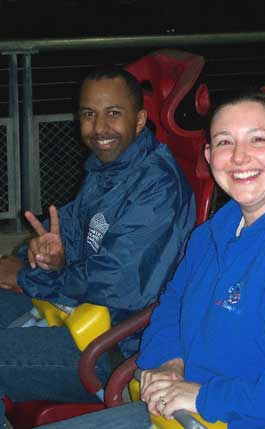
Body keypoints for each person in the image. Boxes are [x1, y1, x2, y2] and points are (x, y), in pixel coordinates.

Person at [36, 91, 265, 429]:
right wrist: (169, 362)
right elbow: (172, 303)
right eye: (224, 142)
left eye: (258, 139)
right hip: (177, 413)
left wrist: (202, 396)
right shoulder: (216, 231)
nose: (240, 157)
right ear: (209, 155)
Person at [0, 66, 196, 424]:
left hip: (113, 347)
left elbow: (121, 284)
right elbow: (71, 226)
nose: (99, 128)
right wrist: (39, 253)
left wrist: (32, 278)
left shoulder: (157, 186)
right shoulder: (107, 170)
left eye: (113, 113)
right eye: (89, 114)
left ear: (139, 121)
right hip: (75, 313)